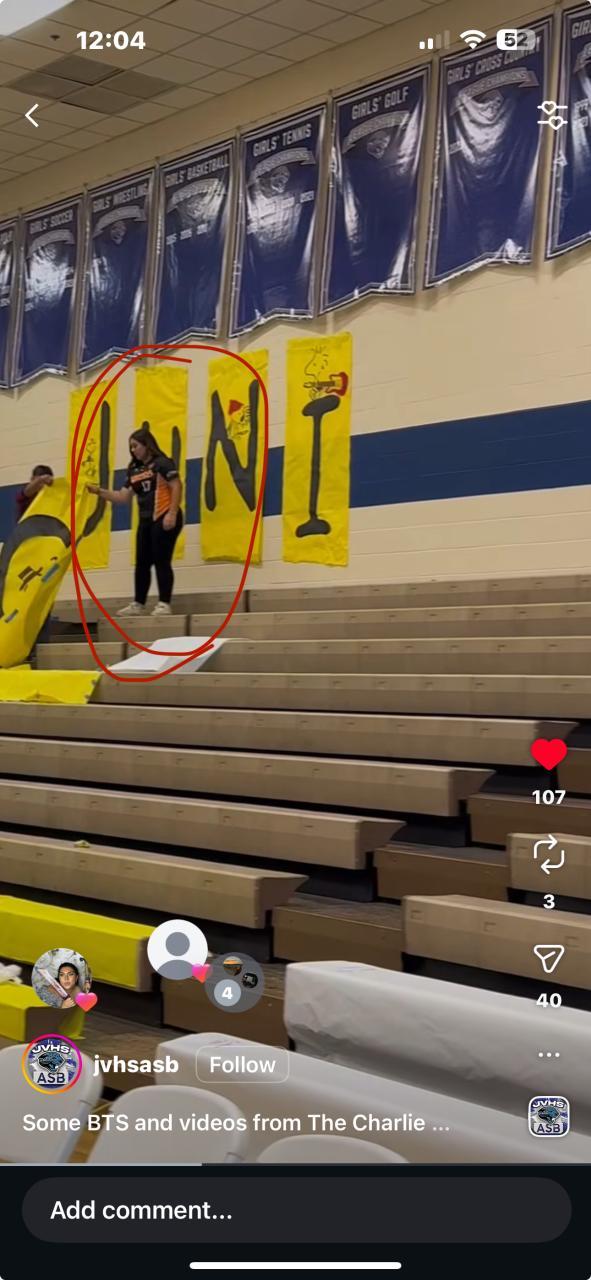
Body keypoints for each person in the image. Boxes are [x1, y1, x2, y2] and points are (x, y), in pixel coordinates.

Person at [88, 425, 183, 616]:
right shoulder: (134, 469)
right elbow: (122, 497)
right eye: (130, 447)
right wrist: (99, 491)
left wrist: (172, 513)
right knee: (142, 562)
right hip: (146, 520)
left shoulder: (162, 463)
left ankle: (164, 603)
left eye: (135, 446)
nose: (133, 450)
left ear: (147, 445)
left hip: (164, 515)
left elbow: (176, 486)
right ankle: (138, 604)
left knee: (161, 560)